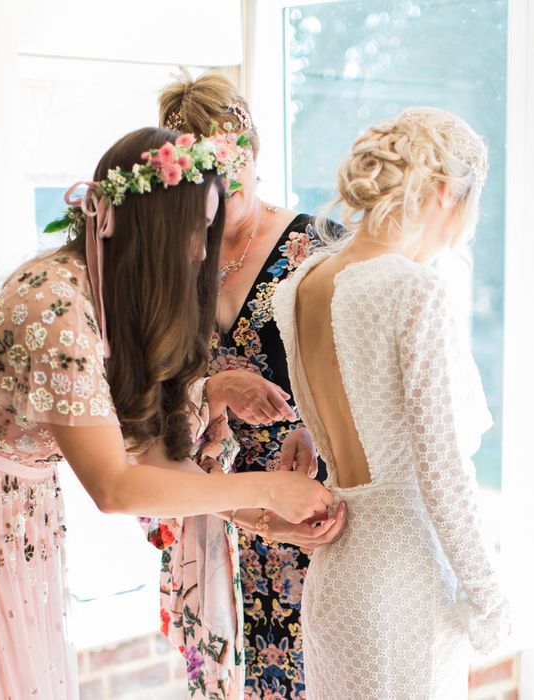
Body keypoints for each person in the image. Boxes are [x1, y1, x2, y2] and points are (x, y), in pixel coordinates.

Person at [0, 126, 332, 700]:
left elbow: (150, 452)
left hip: (20, 507)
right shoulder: (56, 306)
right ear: (146, 227)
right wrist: (268, 489)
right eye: (191, 231)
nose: (201, 250)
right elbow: (116, 487)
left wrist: (255, 514)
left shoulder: (109, 293)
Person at [272, 108, 510, 699]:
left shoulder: (299, 284)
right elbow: (442, 469)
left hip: (338, 571)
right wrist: (489, 593)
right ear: (441, 194)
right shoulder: (410, 286)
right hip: (407, 573)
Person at [159, 72, 346, 699]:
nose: (218, 186)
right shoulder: (171, 266)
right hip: (210, 503)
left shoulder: (318, 247)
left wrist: (312, 430)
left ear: (254, 150)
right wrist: (214, 386)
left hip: (305, 502)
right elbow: (151, 383)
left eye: (229, 163)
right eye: (199, 172)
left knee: (310, 671)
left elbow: (363, 377)